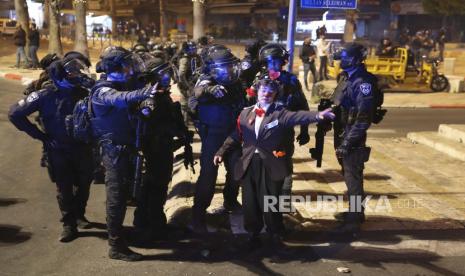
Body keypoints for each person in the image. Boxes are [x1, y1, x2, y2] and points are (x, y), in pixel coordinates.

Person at [213, 79, 334, 249]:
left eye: (271, 91)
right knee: (250, 201)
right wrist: (221, 152)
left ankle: (274, 233)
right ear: (257, 92)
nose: (266, 94)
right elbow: (236, 135)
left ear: (275, 94)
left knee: (270, 200)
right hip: (249, 162)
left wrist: (317, 116)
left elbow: (297, 117)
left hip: (270, 162)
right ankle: (253, 233)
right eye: (263, 90)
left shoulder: (280, 113)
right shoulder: (245, 113)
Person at [9, 57, 96, 242]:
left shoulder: (84, 92)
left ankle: (79, 214)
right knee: (64, 187)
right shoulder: (44, 94)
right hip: (59, 148)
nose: (75, 75)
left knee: (84, 183)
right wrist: (40, 136)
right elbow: (15, 113)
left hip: (83, 146)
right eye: (71, 73)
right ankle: (68, 224)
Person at [90, 46, 158, 261]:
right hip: (113, 151)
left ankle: (121, 236)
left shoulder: (121, 84)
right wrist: (143, 93)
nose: (131, 69)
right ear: (117, 67)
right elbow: (119, 99)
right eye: (127, 65)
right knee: (116, 197)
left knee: (125, 194)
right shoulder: (103, 90)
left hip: (125, 149)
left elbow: (134, 102)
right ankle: (116, 245)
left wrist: (146, 102)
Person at [133, 57, 191, 242]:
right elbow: (151, 127)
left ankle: (144, 222)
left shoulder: (160, 95)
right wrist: (173, 131)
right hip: (155, 151)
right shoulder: (150, 100)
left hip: (161, 148)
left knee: (152, 186)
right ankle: (155, 227)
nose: (169, 77)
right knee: (155, 187)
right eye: (164, 75)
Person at [188, 46, 245, 233]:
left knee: (237, 170)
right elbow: (197, 93)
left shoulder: (236, 83)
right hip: (213, 135)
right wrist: (210, 90)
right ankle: (198, 214)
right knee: (208, 176)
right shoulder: (206, 80)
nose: (227, 71)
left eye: (230, 67)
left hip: (233, 134)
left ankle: (230, 200)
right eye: (223, 67)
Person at [253, 43, 311, 196]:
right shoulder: (258, 81)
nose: (273, 65)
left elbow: (302, 106)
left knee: (284, 165)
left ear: (283, 62)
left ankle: (283, 202)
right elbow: (248, 107)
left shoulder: (291, 81)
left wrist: (304, 131)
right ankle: (263, 200)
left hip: (283, 133)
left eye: (276, 61)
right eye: (270, 62)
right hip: (262, 133)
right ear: (264, 63)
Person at [332, 43, 377, 232]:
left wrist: (348, 142)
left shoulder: (363, 82)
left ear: (355, 60)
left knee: (353, 176)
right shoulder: (346, 77)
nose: (340, 61)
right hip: (342, 131)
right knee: (348, 174)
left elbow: (363, 118)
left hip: (353, 136)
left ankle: (355, 219)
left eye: (343, 58)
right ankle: (354, 212)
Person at [175, 41, 202, 124]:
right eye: (193, 48)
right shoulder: (185, 59)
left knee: (191, 103)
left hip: (192, 83)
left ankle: (188, 120)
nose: (195, 49)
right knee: (185, 105)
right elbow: (181, 74)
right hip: (186, 85)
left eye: (195, 48)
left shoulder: (194, 57)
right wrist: (187, 85)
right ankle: (184, 123)